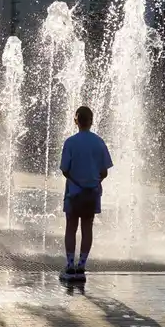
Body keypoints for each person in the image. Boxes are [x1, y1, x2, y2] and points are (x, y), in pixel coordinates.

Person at [59, 106, 113, 282]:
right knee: (87, 228)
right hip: (92, 192)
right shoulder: (99, 142)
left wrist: (77, 182)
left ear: (76, 121)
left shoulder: (70, 142)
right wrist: (93, 182)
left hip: (74, 193)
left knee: (71, 227)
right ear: (91, 120)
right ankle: (82, 265)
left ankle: (70, 265)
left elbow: (64, 170)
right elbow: (104, 171)